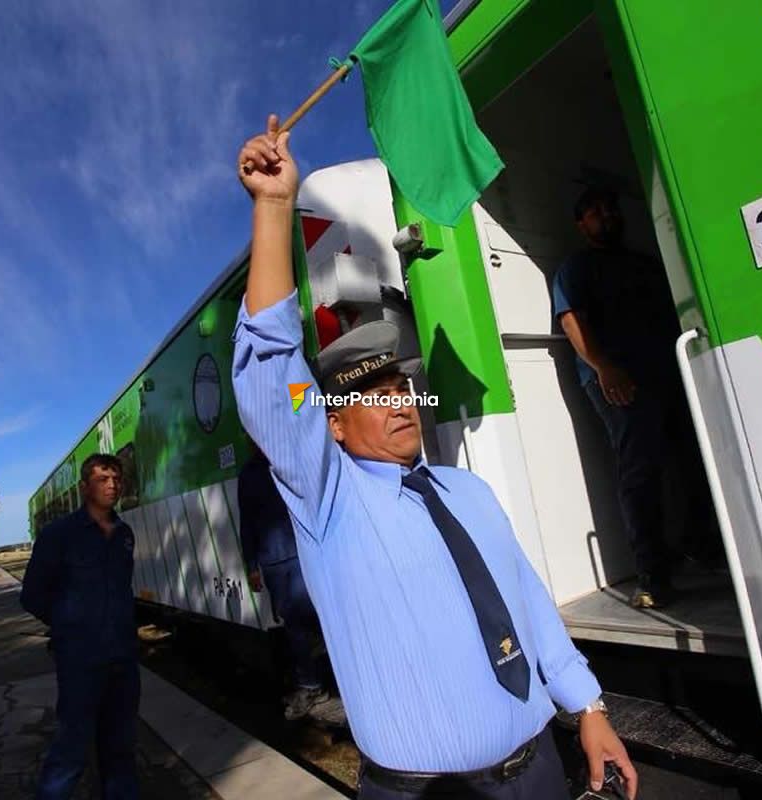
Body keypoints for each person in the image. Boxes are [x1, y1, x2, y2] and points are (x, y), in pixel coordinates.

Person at [233, 116, 638, 800]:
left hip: (540, 771)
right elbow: (273, 371)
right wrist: (274, 208)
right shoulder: (327, 500)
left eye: (403, 388)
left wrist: (589, 707)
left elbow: (528, 605)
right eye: (374, 394)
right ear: (332, 426)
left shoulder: (465, 491)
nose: (399, 402)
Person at [552, 187, 717, 609]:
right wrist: (604, 367)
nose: (606, 214)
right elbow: (571, 321)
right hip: (617, 380)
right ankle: (652, 577)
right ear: (580, 224)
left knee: (691, 460)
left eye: (609, 207)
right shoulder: (577, 267)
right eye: (595, 210)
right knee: (639, 472)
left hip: (666, 372)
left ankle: (702, 547)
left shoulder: (644, 264)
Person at [20, 453, 139, 800]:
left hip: (123, 660)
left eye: (116, 478)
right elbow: (32, 595)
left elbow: (122, 588)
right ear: (84, 486)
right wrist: (69, 626)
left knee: (121, 751)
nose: (112, 484)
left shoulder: (124, 534)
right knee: (70, 753)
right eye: (103, 478)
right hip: (79, 662)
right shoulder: (58, 535)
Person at [238, 441, 331, 721]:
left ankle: (340, 679)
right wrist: (252, 565)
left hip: (304, 554)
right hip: (273, 563)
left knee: (317, 618)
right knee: (293, 625)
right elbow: (247, 522)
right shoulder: (247, 475)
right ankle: (311, 686)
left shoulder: (291, 461)